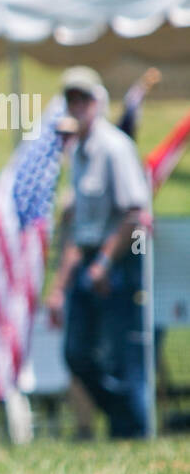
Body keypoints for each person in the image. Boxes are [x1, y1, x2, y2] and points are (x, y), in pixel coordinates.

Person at [45, 66, 152, 440]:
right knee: (76, 353)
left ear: (98, 103)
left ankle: (134, 429)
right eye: (70, 100)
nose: (76, 106)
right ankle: (123, 419)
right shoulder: (78, 153)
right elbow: (77, 228)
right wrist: (59, 287)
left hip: (119, 262)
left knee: (125, 356)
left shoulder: (115, 148)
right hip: (87, 262)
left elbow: (135, 215)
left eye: (83, 99)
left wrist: (105, 263)